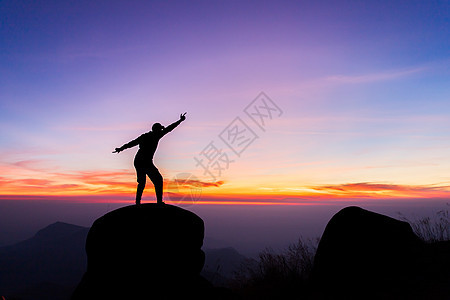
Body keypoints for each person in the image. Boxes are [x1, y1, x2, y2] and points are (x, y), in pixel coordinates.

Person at [113, 113, 187, 205]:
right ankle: (157, 202)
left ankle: (138, 203)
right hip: (144, 161)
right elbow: (169, 129)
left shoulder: (145, 136)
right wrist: (180, 121)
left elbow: (132, 143)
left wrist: (121, 148)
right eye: (160, 129)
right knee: (157, 180)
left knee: (143, 182)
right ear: (157, 130)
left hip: (138, 160)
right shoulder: (156, 135)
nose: (161, 130)